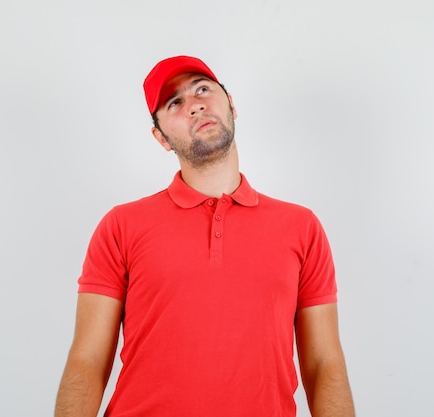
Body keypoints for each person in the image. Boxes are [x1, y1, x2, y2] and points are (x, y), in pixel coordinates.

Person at [55, 56, 355, 417]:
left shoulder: (302, 227)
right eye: (175, 103)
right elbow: (87, 360)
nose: (195, 104)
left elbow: (324, 363)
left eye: (202, 89)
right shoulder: (121, 226)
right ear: (161, 138)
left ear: (231, 105)